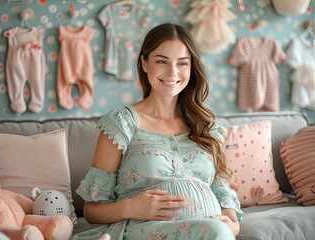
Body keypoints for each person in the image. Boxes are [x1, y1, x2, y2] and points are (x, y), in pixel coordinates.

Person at [74, 23, 243, 240]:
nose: (172, 72)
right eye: (162, 61)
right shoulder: (121, 124)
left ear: (192, 69)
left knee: (218, 230)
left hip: (209, 231)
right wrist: (131, 208)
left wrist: (233, 225)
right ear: (144, 63)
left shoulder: (206, 127)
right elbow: (91, 211)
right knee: (216, 231)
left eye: (182, 63)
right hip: (142, 230)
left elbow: (223, 193)